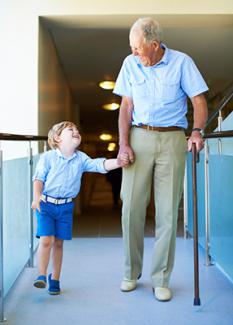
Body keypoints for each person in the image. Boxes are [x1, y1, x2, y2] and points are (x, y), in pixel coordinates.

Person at [114, 17, 208, 301]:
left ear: (154, 45)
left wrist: (196, 131)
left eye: (138, 48)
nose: (134, 53)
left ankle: (161, 278)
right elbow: (126, 106)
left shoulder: (182, 62)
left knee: (167, 212)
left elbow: (199, 101)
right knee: (130, 208)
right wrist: (123, 144)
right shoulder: (130, 65)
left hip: (171, 138)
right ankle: (131, 273)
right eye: (131, 48)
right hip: (139, 137)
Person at [31, 121, 128, 295]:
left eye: (77, 130)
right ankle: (41, 275)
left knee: (59, 244)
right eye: (71, 130)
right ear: (57, 138)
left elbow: (99, 165)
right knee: (46, 240)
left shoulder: (81, 158)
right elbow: (39, 178)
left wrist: (119, 162)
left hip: (66, 207)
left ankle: (55, 279)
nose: (76, 132)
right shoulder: (48, 157)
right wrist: (37, 196)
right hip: (45, 205)